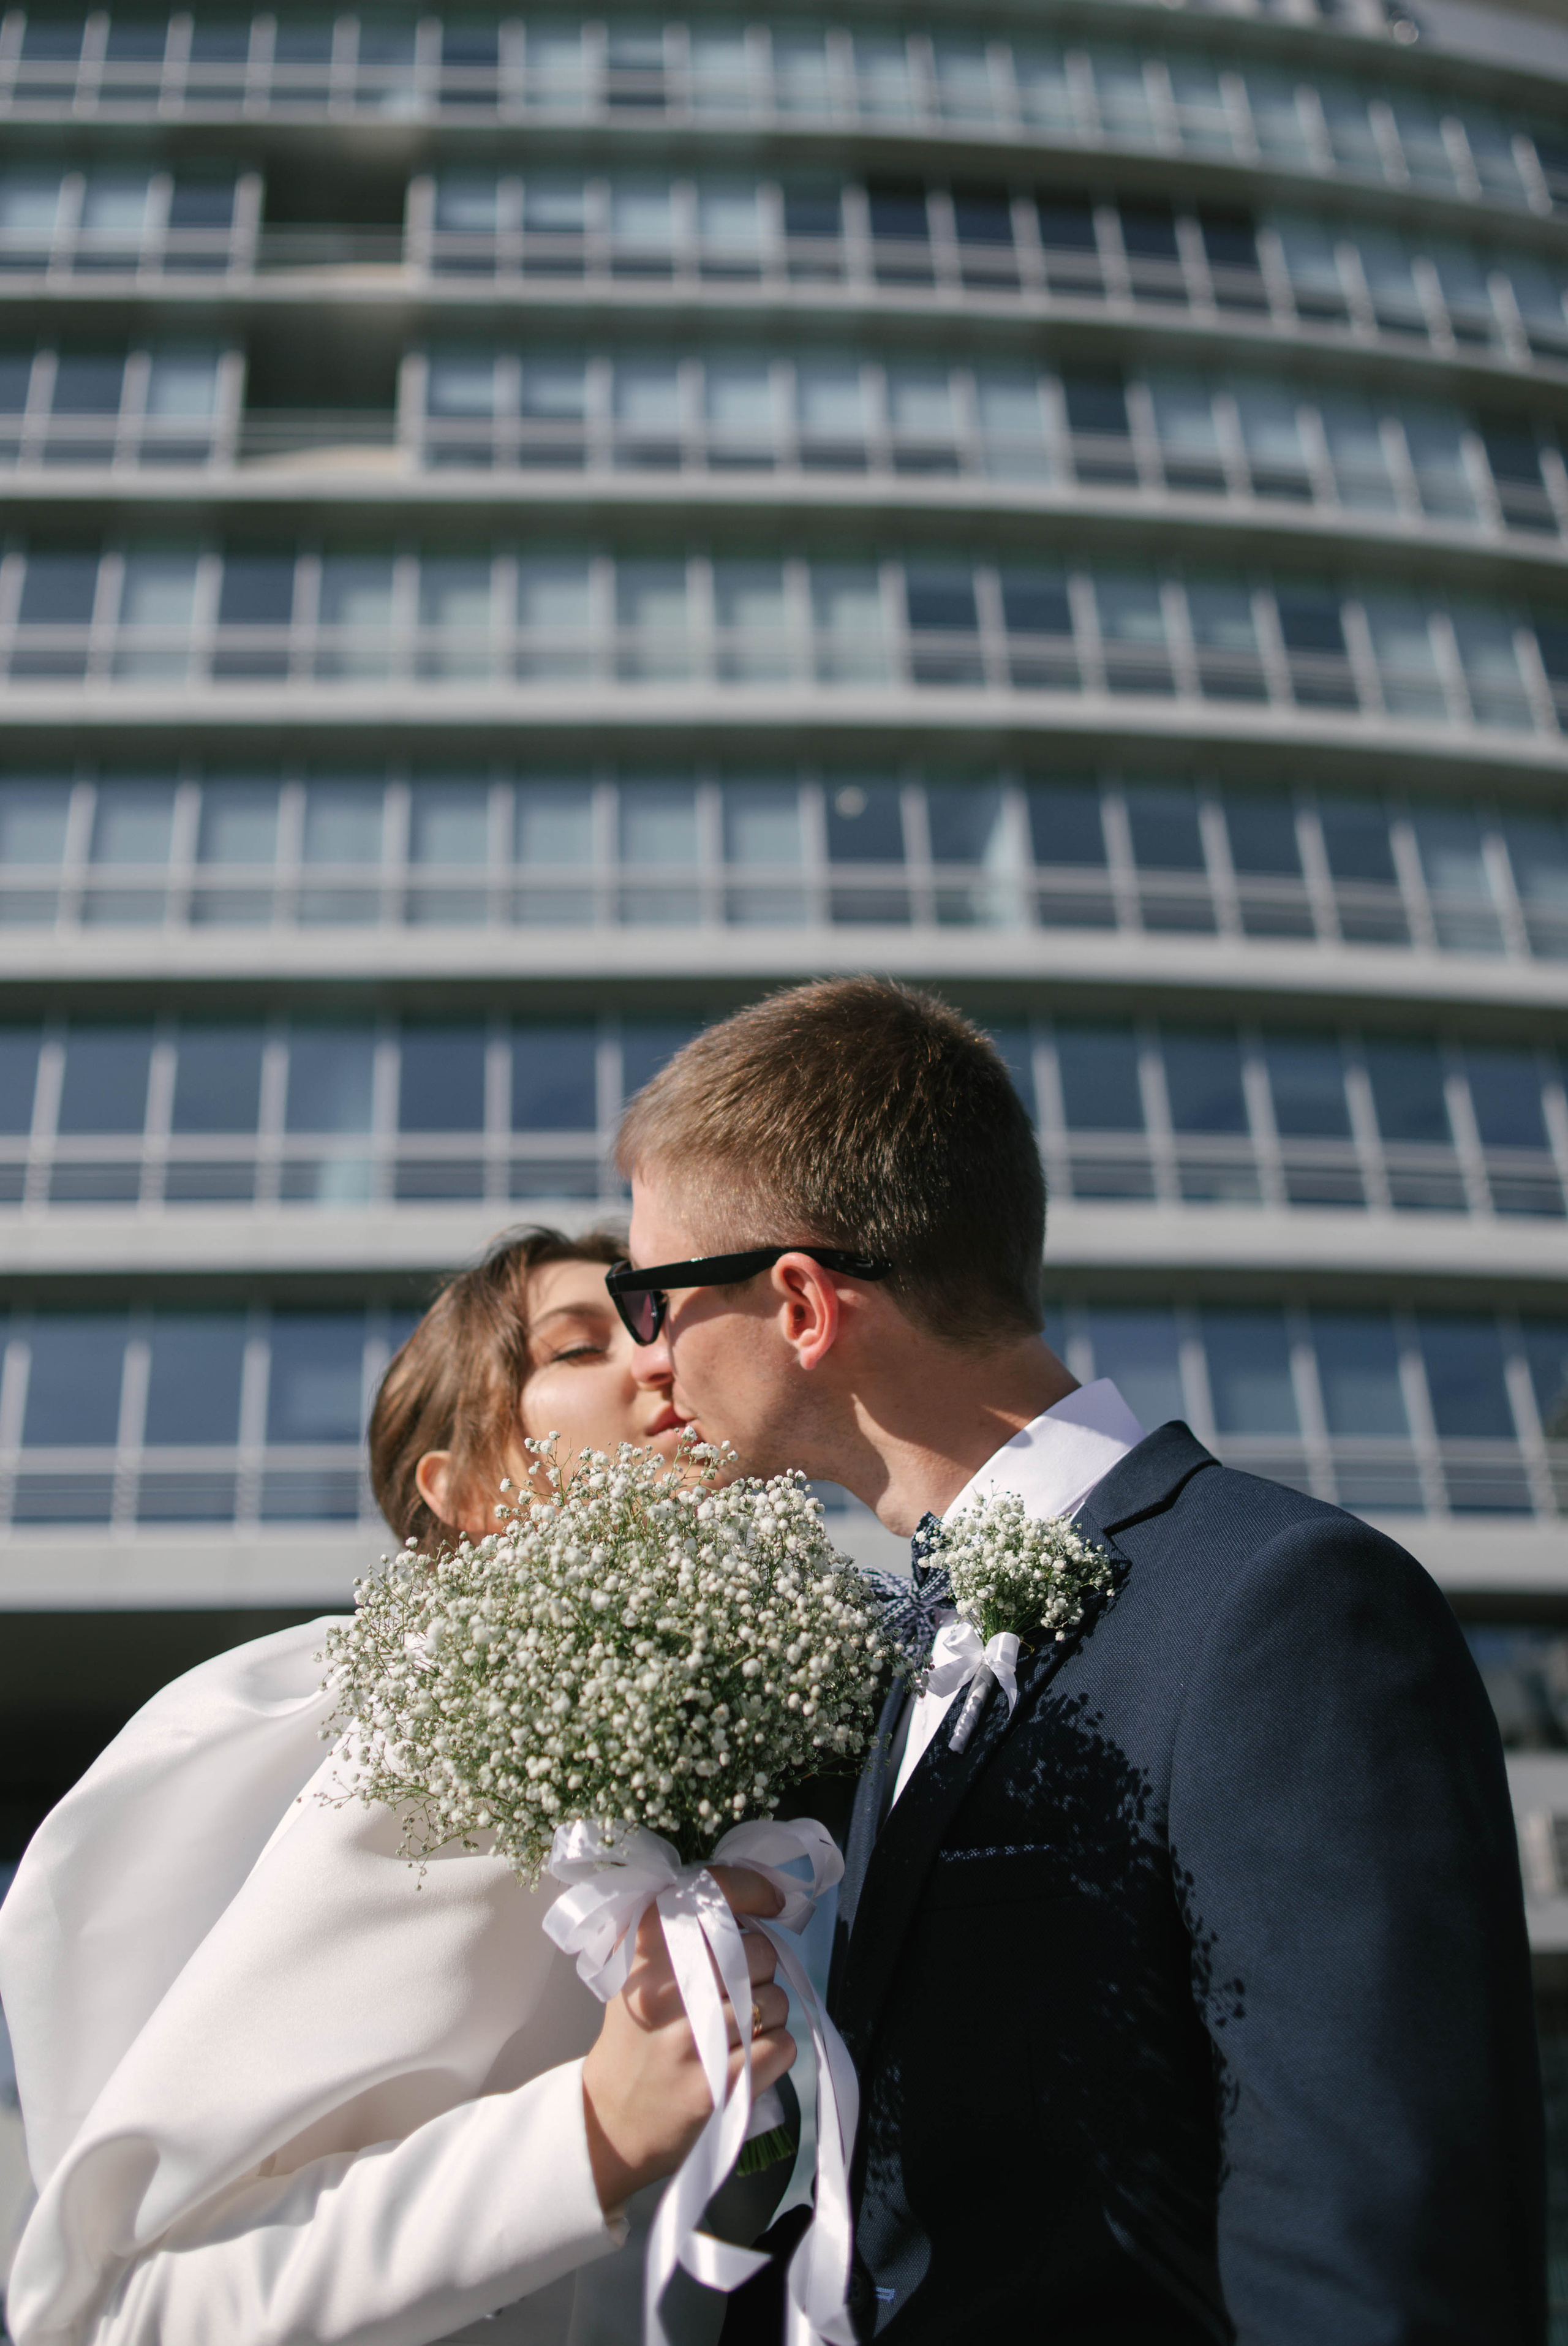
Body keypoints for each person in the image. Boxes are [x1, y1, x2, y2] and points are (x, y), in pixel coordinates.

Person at [608, 976, 1545, 2344]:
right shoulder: (884, 1653)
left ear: (801, 1303)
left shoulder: (1278, 1611)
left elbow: (1373, 2253)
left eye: (653, 1295)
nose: (649, 1358)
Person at [0, 1226, 796, 2346]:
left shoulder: (782, 1756)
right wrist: (589, 2132)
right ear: (467, 1487)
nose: (660, 1360)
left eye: (657, 1323)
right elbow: (130, 2307)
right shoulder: (429, 1746)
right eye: (578, 1349)